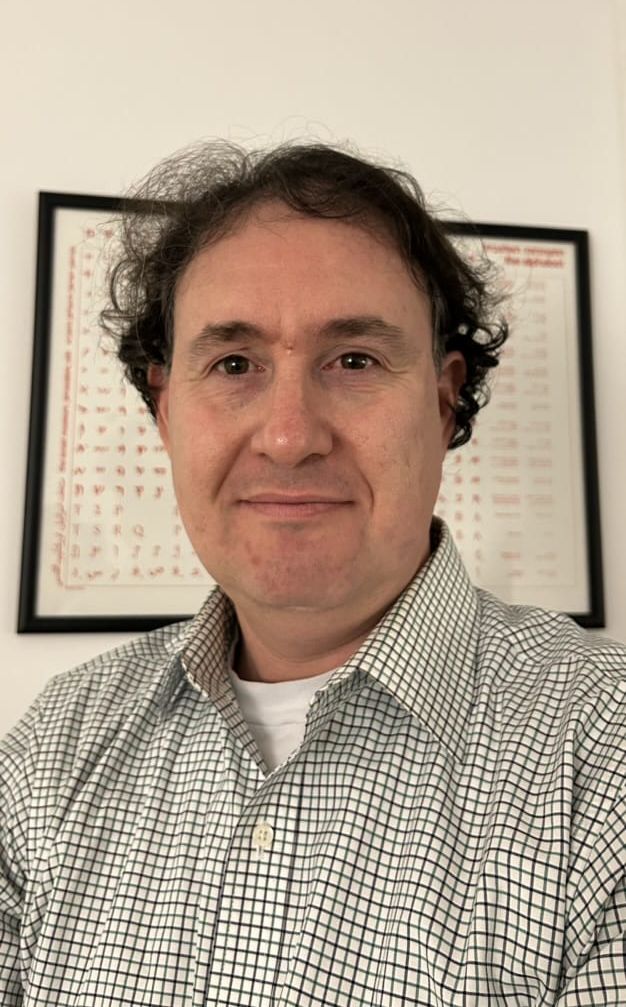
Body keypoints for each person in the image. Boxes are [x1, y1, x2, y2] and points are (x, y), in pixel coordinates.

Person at [2, 141, 626, 1006]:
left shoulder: (605, 755)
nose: (290, 436)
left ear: (444, 402)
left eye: (355, 360)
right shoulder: (51, 751)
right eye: (233, 364)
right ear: (167, 409)